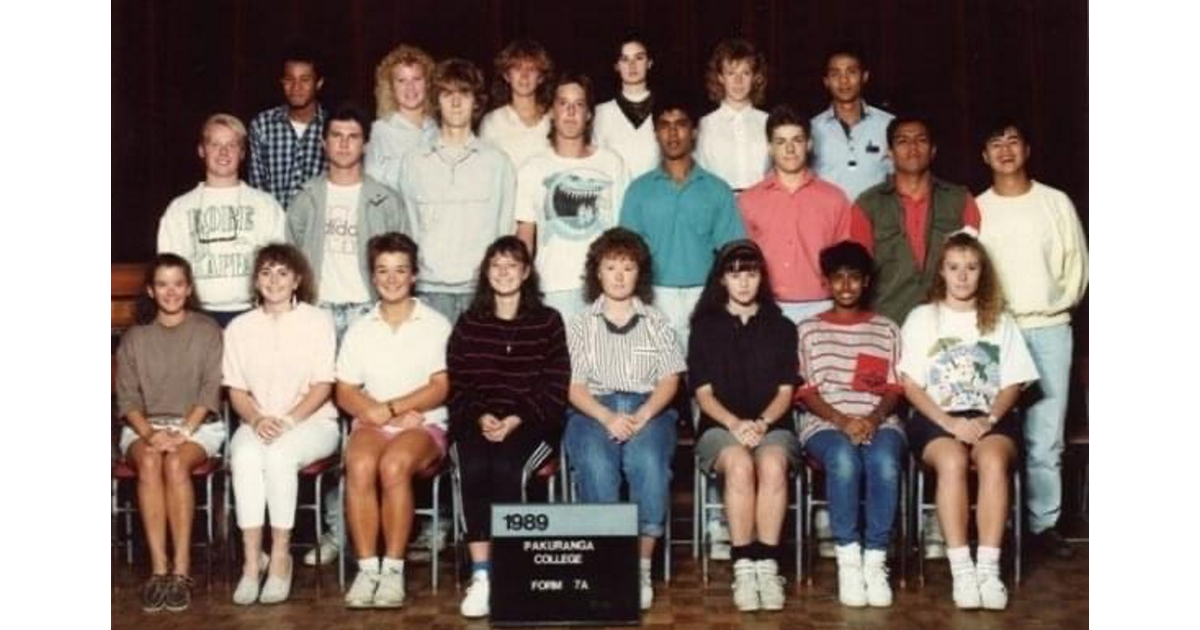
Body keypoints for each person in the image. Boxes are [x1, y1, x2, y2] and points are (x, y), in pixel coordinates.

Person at [286, 102, 409, 567]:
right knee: (328, 427)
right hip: (317, 316)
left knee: (369, 423)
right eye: (335, 136)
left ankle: (382, 534)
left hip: (366, 314)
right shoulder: (306, 198)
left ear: (365, 143)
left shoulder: (384, 199)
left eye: (352, 136)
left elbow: (401, 260)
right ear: (324, 143)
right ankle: (337, 532)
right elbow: (291, 263)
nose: (343, 144)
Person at [899, 233, 1038, 611]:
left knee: (992, 461)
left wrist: (990, 418)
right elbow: (910, 385)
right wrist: (949, 423)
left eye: (972, 268)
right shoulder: (922, 317)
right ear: (941, 272)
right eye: (954, 268)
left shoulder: (999, 319)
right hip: (936, 418)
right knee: (953, 461)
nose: (962, 276)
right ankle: (961, 568)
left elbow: (1014, 382)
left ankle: (987, 570)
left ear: (983, 273)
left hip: (989, 418)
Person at [976, 117, 1088, 560]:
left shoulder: (1054, 202)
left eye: (1013, 140)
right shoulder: (977, 208)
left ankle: (1043, 525)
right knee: (996, 430)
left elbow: (1076, 268)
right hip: (997, 330)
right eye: (995, 142)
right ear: (984, 156)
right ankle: (997, 525)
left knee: (1045, 434)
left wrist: (1053, 308)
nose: (1005, 149)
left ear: (1027, 149)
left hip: (1048, 328)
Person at [447, 236, 571, 618]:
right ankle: (483, 574)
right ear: (486, 273)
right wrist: (481, 416)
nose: (503, 273)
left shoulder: (548, 322)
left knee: (507, 469)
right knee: (473, 468)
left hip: (531, 424)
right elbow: (459, 385)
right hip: (477, 423)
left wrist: (517, 418)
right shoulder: (469, 323)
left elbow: (555, 385)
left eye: (512, 265)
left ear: (526, 272)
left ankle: (515, 570)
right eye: (496, 266)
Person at [563, 228, 686, 611]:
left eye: (627, 267)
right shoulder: (580, 323)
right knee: (597, 464)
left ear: (639, 274)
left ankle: (640, 565)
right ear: (596, 273)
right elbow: (572, 385)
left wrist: (644, 413)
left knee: (647, 463)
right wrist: (606, 416)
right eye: (610, 267)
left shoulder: (655, 321)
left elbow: (670, 378)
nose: (618, 275)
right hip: (592, 408)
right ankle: (606, 563)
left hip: (648, 407)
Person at [337, 232, 453, 609]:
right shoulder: (359, 327)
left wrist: (394, 409)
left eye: (400, 270)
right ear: (373, 276)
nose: (391, 278)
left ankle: (393, 571)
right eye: (383, 271)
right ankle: (368, 568)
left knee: (393, 465)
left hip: (424, 424)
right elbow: (345, 390)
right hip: (374, 422)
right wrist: (374, 411)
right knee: (359, 463)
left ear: (414, 275)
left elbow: (441, 385)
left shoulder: (435, 324)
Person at [225, 244, 340, 605]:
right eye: (265, 272)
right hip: (258, 420)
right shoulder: (239, 327)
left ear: (297, 280)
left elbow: (324, 384)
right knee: (243, 457)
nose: (274, 280)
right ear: (256, 281)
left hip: (312, 422)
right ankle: (250, 564)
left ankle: (279, 558)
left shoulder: (317, 321)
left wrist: (289, 420)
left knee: (278, 458)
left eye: (282, 272)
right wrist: (257, 418)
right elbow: (236, 389)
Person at [688, 240, 798, 612]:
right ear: (722, 280)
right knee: (738, 462)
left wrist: (763, 423)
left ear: (760, 277)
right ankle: (744, 567)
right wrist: (736, 424)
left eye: (750, 273)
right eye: (735, 275)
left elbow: (786, 391)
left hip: (772, 425)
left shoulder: (781, 326)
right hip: (721, 426)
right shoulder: (704, 327)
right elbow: (703, 395)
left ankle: (767, 566)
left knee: (770, 464)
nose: (744, 283)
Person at [796, 241, 905, 608]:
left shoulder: (886, 329)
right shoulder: (808, 330)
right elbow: (806, 391)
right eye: (837, 278)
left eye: (854, 278)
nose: (846, 286)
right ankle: (849, 559)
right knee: (843, 458)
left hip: (879, 420)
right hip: (825, 422)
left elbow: (893, 387)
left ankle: (875, 560)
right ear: (826, 283)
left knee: (884, 462)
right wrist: (842, 420)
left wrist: (873, 418)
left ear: (866, 282)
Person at [115, 254, 225, 613]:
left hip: (196, 425)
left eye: (178, 283)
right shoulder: (135, 337)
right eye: (162, 284)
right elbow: (127, 397)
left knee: (176, 463)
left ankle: (181, 571)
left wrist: (183, 431)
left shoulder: (207, 330)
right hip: (143, 427)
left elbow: (210, 389)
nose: (171, 291)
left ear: (189, 288)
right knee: (149, 462)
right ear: (151, 290)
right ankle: (158, 571)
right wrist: (150, 434)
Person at [620, 92, 746, 348]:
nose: (673, 133)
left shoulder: (717, 189)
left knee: (705, 377)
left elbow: (732, 251)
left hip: (705, 294)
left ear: (695, 131)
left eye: (681, 124)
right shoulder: (638, 190)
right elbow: (626, 254)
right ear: (655, 133)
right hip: (654, 295)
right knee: (659, 378)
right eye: (665, 126)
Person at [398, 58, 517, 323]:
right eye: (446, 94)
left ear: (476, 101)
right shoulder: (414, 162)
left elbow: (504, 231)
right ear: (436, 101)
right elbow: (408, 227)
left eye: (464, 93)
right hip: (428, 291)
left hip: (480, 292)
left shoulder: (498, 163)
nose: (455, 102)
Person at [849, 114, 981, 326]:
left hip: (949, 322)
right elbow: (857, 273)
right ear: (889, 153)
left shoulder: (960, 200)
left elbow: (976, 266)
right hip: (886, 323)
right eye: (903, 141)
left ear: (933, 150)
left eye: (921, 140)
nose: (912, 147)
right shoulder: (867, 205)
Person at [515, 72, 628, 318]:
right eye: (563, 103)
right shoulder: (532, 169)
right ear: (551, 112)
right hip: (552, 288)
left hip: (604, 288)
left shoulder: (612, 163)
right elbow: (525, 238)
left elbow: (624, 232)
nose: (570, 112)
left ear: (588, 114)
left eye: (578, 105)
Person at [157, 113, 286, 327]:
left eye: (232, 145)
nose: (223, 152)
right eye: (215, 144)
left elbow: (282, 266)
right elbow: (168, 269)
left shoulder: (265, 205)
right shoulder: (179, 209)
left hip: (253, 314)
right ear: (201, 150)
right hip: (197, 316)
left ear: (243, 152)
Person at [739, 104, 852, 324]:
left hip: (822, 305)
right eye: (781, 142)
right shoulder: (748, 201)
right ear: (770, 147)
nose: (789, 149)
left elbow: (844, 261)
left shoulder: (835, 198)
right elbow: (742, 262)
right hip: (766, 306)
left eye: (797, 140)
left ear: (809, 144)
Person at [809, 44, 894, 202]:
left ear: (865, 76)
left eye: (852, 72)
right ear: (826, 81)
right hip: (829, 221)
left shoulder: (889, 124)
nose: (844, 80)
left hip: (875, 221)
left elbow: (900, 177)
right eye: (835, 74)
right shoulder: (811, 129)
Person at [249, 45, 328, 206]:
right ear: (282, 82)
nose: (296, 87)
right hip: (272, 225)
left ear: (319, 83)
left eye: (305, 80)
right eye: (289, 79)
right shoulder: (263, 125)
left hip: (318, 226)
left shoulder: (333, 127)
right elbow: (256, 189)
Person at [695, 37, 770, 192]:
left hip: (762, 206)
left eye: (745, 73)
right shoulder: (705, 125)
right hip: (719, 206)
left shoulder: (768, 122)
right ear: (720, 77)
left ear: (756, 77)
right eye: (731, 73)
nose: (738, 81)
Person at [365, 44, 438, 193]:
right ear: (391, 87)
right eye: (401, 80)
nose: (410, 87)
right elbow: (372, 188)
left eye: (417, 79)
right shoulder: (379, 131)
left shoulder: (438, 129)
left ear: (428, 84)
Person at [479, 39, 555, 169]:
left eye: (531, 69)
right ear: (507, 75)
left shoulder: (554, 119)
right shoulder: (492, 122)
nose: (524, 76)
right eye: (517, 68)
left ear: (541, 77)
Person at [593, 32, 660, 178]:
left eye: (639, 57)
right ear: (616, 66)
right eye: (625, 59)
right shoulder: (600, 113)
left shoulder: (665, 110)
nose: (632, 65)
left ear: (649, 62)